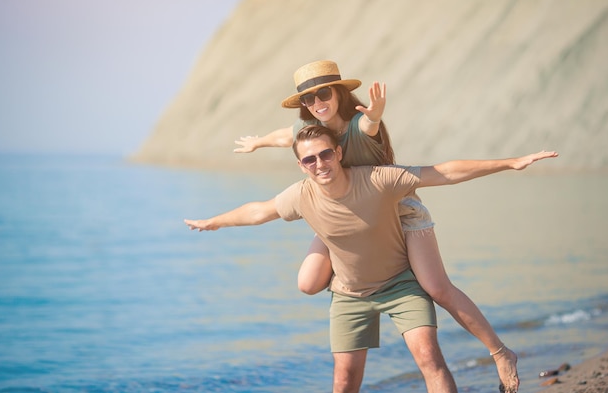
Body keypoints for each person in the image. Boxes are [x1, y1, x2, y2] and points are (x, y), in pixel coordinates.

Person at [186, 124, 559, 393]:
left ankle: (500, 352)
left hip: (400, 283)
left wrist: (510, 163)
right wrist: (215, 222)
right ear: (301, 165)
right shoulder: (301, 196)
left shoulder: (378, 179)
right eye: (310, 159)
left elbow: (443, 172)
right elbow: (258, 211)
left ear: (340, 153)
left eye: (326, 154)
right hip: (349, 294)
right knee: (344, 381)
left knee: (430, 358)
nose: (320, 163)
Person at [234, 60, 521, 391]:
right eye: (308, 100)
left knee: (436, 287)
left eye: (323, 93)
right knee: (308, 282)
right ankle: (355, 284)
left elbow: (371, 126)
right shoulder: (310, 132)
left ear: (339, 92)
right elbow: (286, 135)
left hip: (396, 209)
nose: (316, 104)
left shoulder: (358, 124)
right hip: (345, 213)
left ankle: (500, 353)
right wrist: (258, 142)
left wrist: (375, 113)